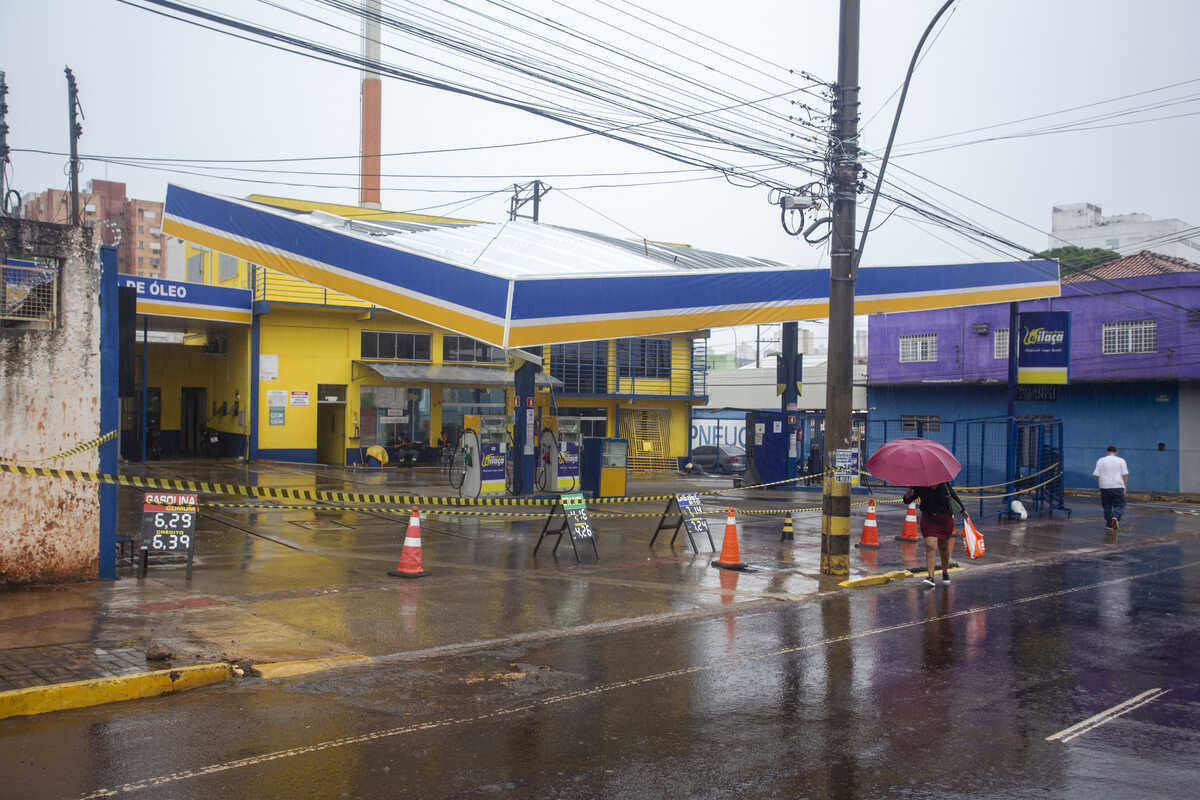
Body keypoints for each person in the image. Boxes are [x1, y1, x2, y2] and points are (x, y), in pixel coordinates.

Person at [903, 481, 966, 588]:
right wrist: (907, 495)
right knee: (930, 545)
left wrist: (963, 510)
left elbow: (953, 495)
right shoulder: (920, 484)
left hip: (944, 519)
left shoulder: (944, 484)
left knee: (943, 547)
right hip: (928, 518)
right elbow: (907, 501)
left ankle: (945, 572)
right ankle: (930, 577)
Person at [1093, 445, 1129, 530]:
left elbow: (1097, 475)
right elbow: (1125, 475)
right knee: (1120, 505)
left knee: (1107, 506)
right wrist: (1125, 486)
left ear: (1107, 452)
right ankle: (1115, 516)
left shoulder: (1100, 460)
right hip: (1117, 486)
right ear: (1116, 452)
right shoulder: (1121, 460)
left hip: (1104, 486)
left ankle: (1109, 525)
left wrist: (1100, 485)